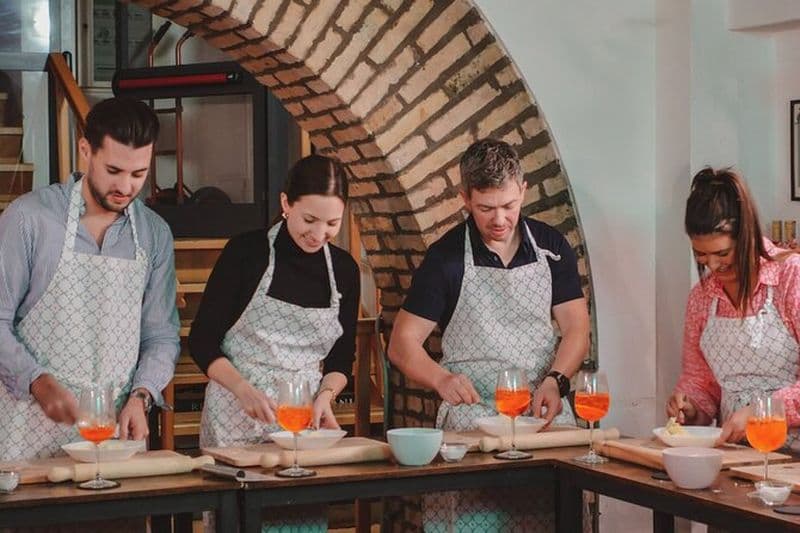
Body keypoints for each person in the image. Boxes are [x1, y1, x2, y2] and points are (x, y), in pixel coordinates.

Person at [388, 138, 590, 531]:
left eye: (509, 206)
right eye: (486, 208)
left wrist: (556, 380)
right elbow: (402, 343)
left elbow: (576, 329)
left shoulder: (551, 247)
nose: (500, 219)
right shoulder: (445, 257)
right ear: (465, 198)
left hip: (540, 408)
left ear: (523, 191)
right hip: (474, 413)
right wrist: (441, 379)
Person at [0, 97, 180, 461]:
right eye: (113, 170)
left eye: (138, 174)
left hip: (113, 433)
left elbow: (161, 336)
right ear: (85, 150)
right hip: (28, 427)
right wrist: (36, 380)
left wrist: (142, 395)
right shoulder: (29, 219)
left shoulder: (154, 234)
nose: (126, 186)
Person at [189, 154, 359, 531]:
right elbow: (202, 341)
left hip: (301, 420)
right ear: (286, 203)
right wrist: (243, 389)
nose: (319, 234)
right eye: (309, 220)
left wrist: (325, 397)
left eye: (332, 223)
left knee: (299, 521)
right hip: (236, 412)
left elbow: (341, 359)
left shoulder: (344, 270)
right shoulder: (246, 253)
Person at [667, 167, 800, 450]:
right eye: (701, 255)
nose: (713, 266)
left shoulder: (791, 278)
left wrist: (763, 411)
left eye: (722, 253)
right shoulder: (702, 298)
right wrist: (690, 407)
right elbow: (701, 381)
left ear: (747, 235)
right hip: (736, 455)